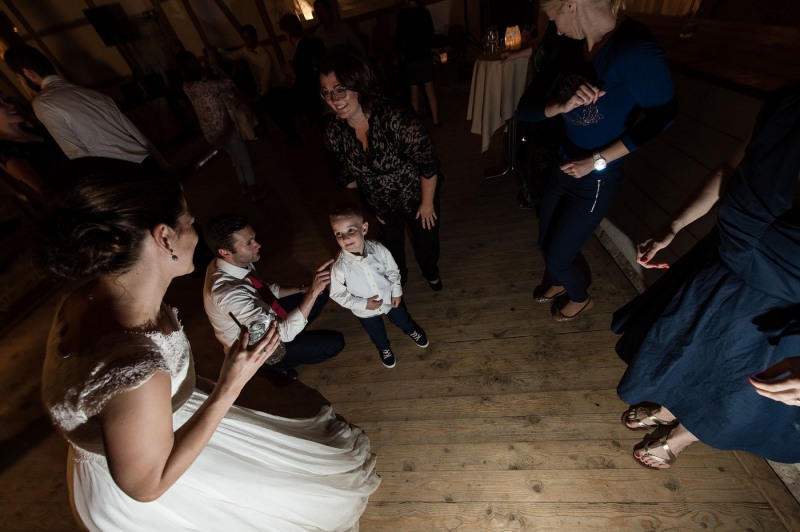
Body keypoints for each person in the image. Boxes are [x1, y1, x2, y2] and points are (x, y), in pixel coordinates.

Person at [40, 157, 380, 529]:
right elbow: (146, 485)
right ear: (164, 237)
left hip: (158, 423)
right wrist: (229, 386)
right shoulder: (135, 369)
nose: (195, 232)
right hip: (157, 478)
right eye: (187, 222)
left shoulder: (90, 294)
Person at [613, 86, 800, 468]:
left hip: (783, 301)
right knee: (693, 348)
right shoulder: (792, 100)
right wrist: (675, 225)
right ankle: (668, 408)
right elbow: (731, 170)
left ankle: (681, 437)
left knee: (742, 383)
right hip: (725, 265)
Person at [515, 0, 677, 321]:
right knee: (545, 240)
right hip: (564, 163)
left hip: (597, 179)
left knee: (560, 256)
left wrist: (597, 160)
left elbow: (664, 117)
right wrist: (559, 106)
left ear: (572, 5)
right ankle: (559, 283)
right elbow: (526, 108)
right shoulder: (567, 43)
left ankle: (580, 297)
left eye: (554, 17)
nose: (556, 27)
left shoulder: (634, 49)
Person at [319, 51, 443, 290]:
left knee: (426, 240)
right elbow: (346, 178)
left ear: (359, 84)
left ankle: (431, 271)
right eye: (326, 92)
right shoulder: (334, 132)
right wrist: (364, 212)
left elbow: (428, 163)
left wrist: (427, 203)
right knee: (389, 249)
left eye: (340, 89)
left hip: (418, 193)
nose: (334, 99)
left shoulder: (396, 117)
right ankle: (398, 281)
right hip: (379, 203)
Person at [203, 214, 344, 377]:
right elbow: (283, 334)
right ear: (225, 251)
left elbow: (261, 288)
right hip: (259, 347)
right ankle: (272, 368)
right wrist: (312, 292)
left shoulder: (228, 261)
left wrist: (300, 289)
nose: (258, 244)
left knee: (319, 296)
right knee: (335, 342)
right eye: (249, 243)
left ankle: (298, 333)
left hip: (267, 316)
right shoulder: (226, 294)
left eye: (254, 238)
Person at [2, 45, 166, 170]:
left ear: (28, 73)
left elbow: (76, 153)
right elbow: (132, 130)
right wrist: (161, 162)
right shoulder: (88, 92)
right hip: (144, 159)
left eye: (19, 78)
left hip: (120, 169)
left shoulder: (44, 102)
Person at [328, 203, 429, 368]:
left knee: (403, 319)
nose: (345, 238)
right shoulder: (339, 267)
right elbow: (337, 294)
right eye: (338, 233)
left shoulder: (379, 249)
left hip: (389, 299)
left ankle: (411, 330)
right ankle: (384, 348)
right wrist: (363, 304)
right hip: (364, 311)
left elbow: (392, 270)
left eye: (350, 230)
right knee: (376, 332)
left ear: (364, 228)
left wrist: (396, 291)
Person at [175, 51, 263, 201]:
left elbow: (201, 79)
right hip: (226, 130)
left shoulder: (187, 86)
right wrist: (215, 65)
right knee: (245, 161)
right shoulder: (205, 86)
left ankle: (244, 188)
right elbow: (229, 82)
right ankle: (254, 192)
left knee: (236, 159)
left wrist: (207, 66)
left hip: (211, 134)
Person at [218, 25, 301, 145]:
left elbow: (265, 77)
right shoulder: (245, 50)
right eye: (244, 38)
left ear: (255, 37)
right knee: (275, 116)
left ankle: (294, 137)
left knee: (281, 114)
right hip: (263, 89)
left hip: (273, 88)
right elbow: (233, 55)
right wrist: (220, 51)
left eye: (248, 38)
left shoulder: (264, 55)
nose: (246, 41)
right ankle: (291, 136)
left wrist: (260, 94)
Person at [0, 92, 66, 199]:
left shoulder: (38, 130)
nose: (12, 105)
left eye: (6, 101)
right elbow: (41, 191)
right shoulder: (7, 150)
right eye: (1, 104)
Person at [396, 0, 440, 126]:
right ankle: (436, 120)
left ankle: (418, 124)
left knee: (414, 94)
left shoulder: (402, 15)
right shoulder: (424, 12)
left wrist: (402, 54)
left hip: (411, 58)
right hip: (425, 55)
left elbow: (399, 38)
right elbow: (431, 34)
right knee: (430, 90)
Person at [279, 13, 327, 126]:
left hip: (318, 101)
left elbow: (303, 87)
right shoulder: (317, 41)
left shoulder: (298, 58)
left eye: (285, 34)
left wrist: (292, 75)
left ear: (288, 34)